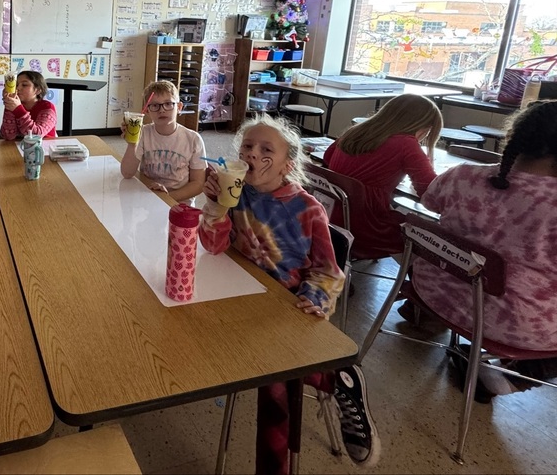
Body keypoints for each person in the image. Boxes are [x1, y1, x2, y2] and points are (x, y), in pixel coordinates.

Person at [197, 115, 378, 471]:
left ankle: (334, 382)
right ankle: (335, 377)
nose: (252, 154)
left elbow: (327, 271)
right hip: (243, 295)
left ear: (286, 165)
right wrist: (217, 206)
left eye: (266, 149)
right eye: (247, 147)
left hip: (288, 305)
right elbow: (213, 247)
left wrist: (316, 298)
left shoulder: (307, 210)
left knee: (276, 381)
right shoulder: (238, 195)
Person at [412, 100, 557, 400]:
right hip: (506, 322)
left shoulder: (462, 175)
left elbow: (429, 203)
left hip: (434, 289)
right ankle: (497, 380)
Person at [323, 93, 442, 259]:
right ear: (421, 127)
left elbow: (327, 157)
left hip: (330, 214)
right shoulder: (406, 144)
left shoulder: (355, 131)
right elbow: (431, 193)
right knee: (426, 240)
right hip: (368, 225)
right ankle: (413, 283)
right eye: (427, 131)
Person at [119, 80, 205, 204]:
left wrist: (167, 197)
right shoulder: (143, 133)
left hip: (179, 204)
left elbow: (198, 184)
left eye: (168, 104)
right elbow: (127, 173)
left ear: (179, 107)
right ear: (147, 110)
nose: (162, 110)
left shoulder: (193, 139)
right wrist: (132, 143)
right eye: (154, 105)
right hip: (148, 199)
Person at [0, 70, 57, 140]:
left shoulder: (47, 107)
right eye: (16, 85)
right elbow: (8, 136)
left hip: (44, 148)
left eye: (24, 85)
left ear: (38, 90)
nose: (18, 88)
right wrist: (9, 106)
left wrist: (18, 110)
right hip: (19, 147)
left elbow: (36, 136)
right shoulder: (15, 105)